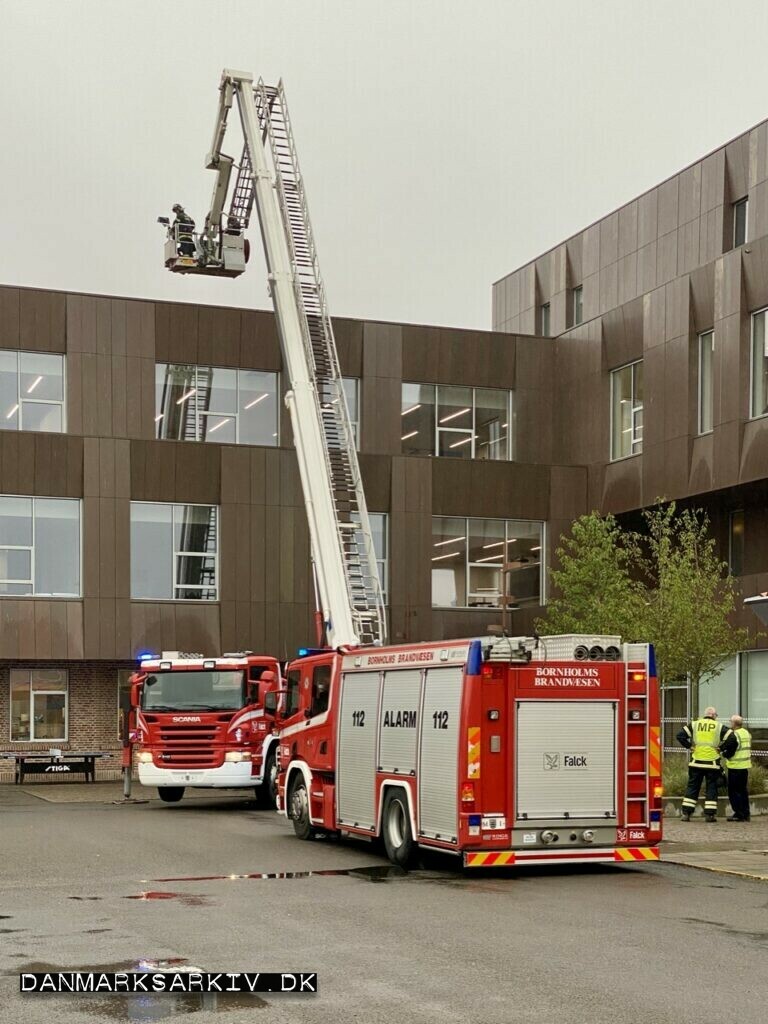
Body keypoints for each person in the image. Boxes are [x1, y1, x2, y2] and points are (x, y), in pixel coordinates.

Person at [677, 707, 736, 822]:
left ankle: (686, 814)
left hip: (696, 762)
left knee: (692, 787)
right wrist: (721, 748)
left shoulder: (695, 724)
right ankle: (709, 815)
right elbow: (733, 739)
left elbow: (680, 736)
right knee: (711, 788)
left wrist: (690, 747)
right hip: (712, 764)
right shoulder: (718, 726)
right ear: (714, 715)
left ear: (705, 715)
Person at [724, 714, 752, 822]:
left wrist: (723, 753)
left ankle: (738, 814)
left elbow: (731, 751)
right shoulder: (746, 733)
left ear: (734, 724)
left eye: (731, 721)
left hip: (735, 767)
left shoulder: (734, 735)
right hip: (744, 767)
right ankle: (746, 813)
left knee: (734, 791)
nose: (730, 723)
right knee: (743, 791)